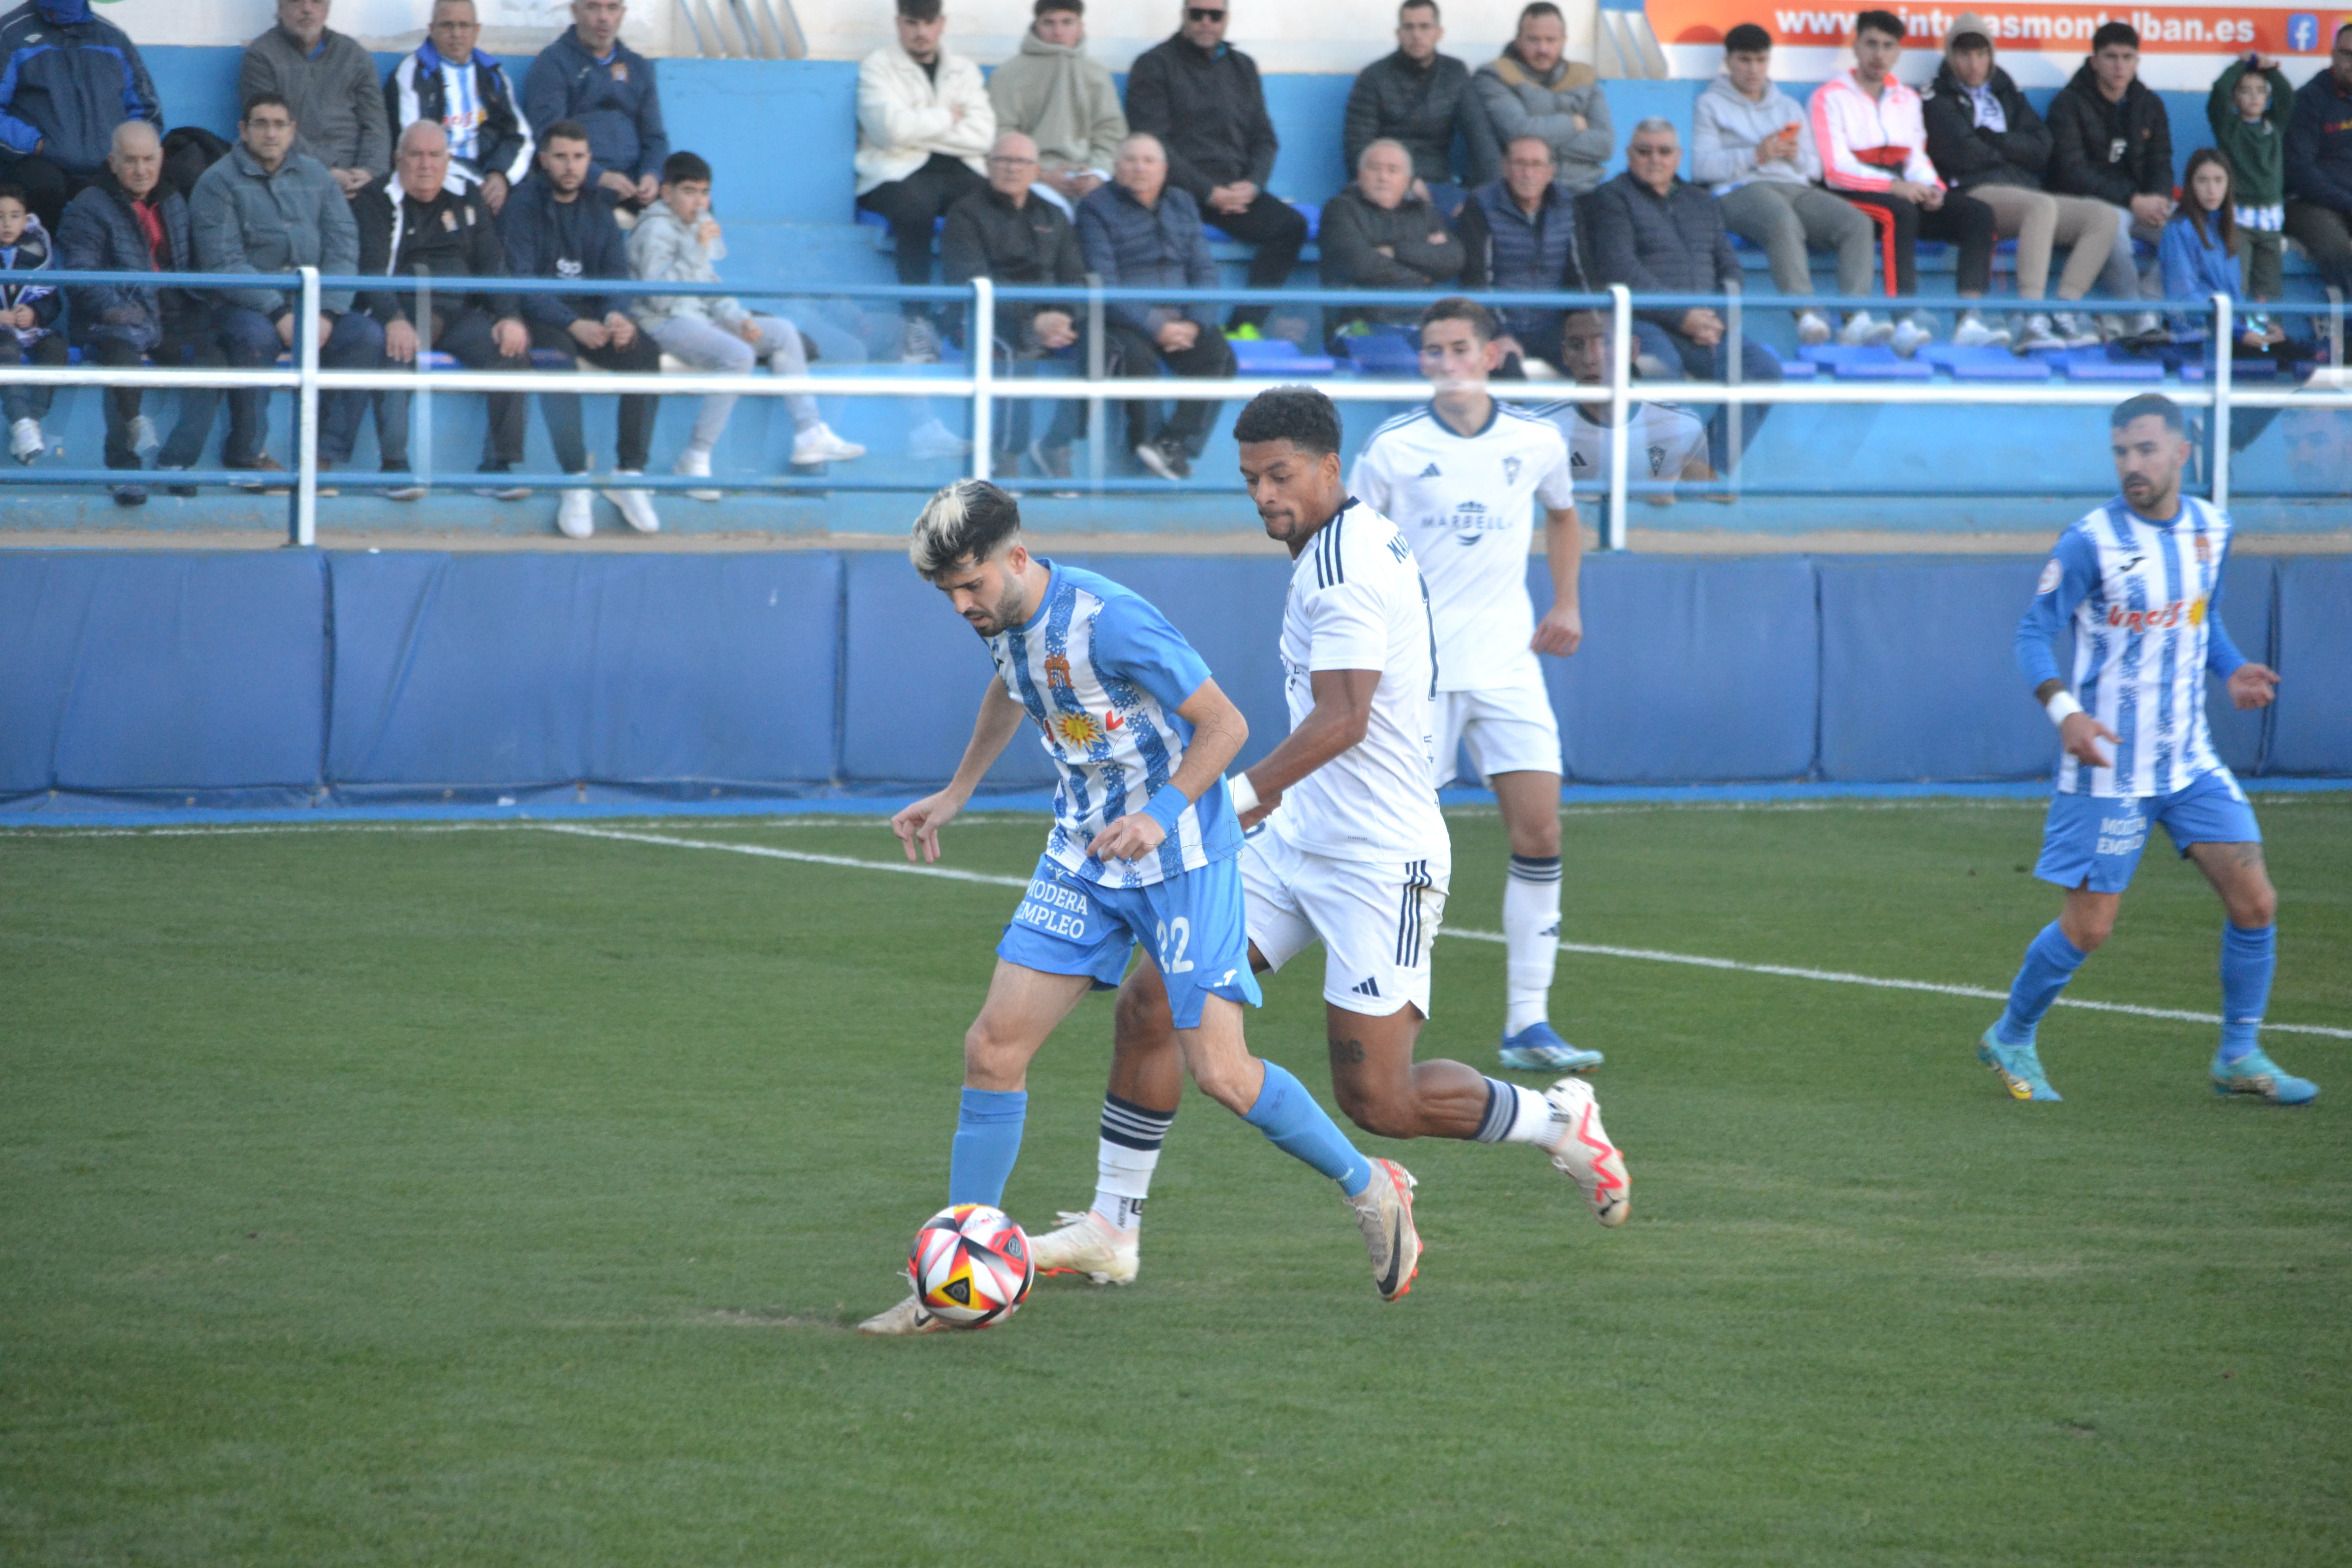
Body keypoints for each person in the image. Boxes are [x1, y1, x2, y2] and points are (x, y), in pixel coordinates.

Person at [1022, 386, 1629, 1292]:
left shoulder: (1343, 567)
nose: (1264, 495)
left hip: (1379, 859)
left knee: (1380, 1099)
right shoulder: (1336, 544)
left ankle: (1556, 1122)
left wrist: (1231, 796)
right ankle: (1113, 1227)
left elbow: (1345, 717)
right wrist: (1263, 807)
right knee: (1150, 1001)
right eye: (1250, 480)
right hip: (1297, 837)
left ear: (1330, 467)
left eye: (1280, 475)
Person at [857, 478, 1424, 1333]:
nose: (962, 606)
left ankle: (1370, 1185)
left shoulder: (1109, 620)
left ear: (1017, 556)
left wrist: (1160, 814)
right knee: (992, 1048)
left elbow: (1226, 725)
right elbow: (1012, 687)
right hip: (1084, 857)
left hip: (1183, 858)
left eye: (970, 585)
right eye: (947, 594)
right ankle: (961, 1271)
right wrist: (957, 790)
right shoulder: (1002, 621)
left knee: (1223, 1074)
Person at [1980, 392, 2312, 1108]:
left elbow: (2202, 615)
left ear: (2182, 452)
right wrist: (2066, 712)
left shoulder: (2212, 529)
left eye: (2146, 450)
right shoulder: (2090, 541)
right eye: (2121, 453)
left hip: (2189, 763)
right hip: (2108, 769)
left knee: (2256, 901)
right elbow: (2033, 631)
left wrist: (2232, 670)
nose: (2132, 465)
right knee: (2089, 927)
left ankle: (2238, 1054)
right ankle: (2011, 1035)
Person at [1351, 298, 1596, 1071]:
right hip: (1414, 675)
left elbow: (1563, 515)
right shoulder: (1392, 448)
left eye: (1460, 348)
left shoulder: (1537, 439)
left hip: (1509, 666)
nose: (1447, 362)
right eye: (1433, 350)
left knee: (1541, 832)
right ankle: (1385, 1005)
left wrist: (1565, 602)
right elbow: (1349, 548)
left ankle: (1528, 1023)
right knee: (1402, 849)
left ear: (1492, 356)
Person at [628, 150, 863, 497]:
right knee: (739, 356)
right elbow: (659, 298)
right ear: (666, 192)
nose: (699, 202)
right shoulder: (654, 229)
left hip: (699, 318)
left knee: (783, 332)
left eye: (704, 193)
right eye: (689, 192)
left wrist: (739, 319)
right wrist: (697, 249)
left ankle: (809, 434)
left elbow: (710, 287)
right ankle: (695, 457)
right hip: (663, 322)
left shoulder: (693, 227)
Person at [190, 92, 379, 489]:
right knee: (254, 338)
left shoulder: (318, 177)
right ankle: (248, 455)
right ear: (243, 131)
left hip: (312, 304)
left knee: (364, 336)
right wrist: (278, 312)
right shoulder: (217, 182)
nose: (271, 134)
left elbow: (344, 248)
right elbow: (223, 263)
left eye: (279, 125)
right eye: (261, 124)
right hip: (243, 305)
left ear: (293, 131)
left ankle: (322, 457)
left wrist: (327, 312)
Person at [354, 121, 538, 504]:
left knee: (510, 349)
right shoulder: (376, 197)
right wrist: (393, 319)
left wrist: (509, 316)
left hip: (458, 313)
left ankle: (498, 466)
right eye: (416, 155)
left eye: (435, 156)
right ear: (397, 159)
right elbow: (371, 271)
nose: (426, 165)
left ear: (449, 159)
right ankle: (393, 467)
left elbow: (491, 262)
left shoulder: (466, 194)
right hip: (402, 309)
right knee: (395, 350)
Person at [498, 119, 665, 537]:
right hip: (543, 315)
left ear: (590, 160)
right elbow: (521, 284)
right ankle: (575, 479)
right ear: (543, 160)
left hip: (593, 314)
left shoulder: (598, 207)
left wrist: (616, 315)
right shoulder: (522, 205)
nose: (570, 166)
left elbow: (615, 274)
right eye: (560, 157)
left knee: (644, 353)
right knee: (557, 360)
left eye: (578, 157)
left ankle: (629, 475)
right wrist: (572, 324)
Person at [1584, 118, 1780, 470]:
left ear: (1678, 157)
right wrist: (1681, 316)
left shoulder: (1701, 201)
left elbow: (1731, 269)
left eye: (1664, 151)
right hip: (1643, 321)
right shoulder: (1611, 198)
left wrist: (1717, 317)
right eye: (1644, 151)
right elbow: (1621, 269)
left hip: (1704, 324)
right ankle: (1661, 474)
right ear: (1629, 155)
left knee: (1763, 369)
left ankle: (1706, 467)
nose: (1654, 159)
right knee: (1661, 370)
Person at [1923, 15, 2125, 354]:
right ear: (1950, 55)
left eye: (1981, 54)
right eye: (1964, 54)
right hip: (1972, 192)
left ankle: (2064, 311)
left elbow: (2043, 148)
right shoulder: (1938, 95)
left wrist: (1995, 141)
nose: (1974, 64)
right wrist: (2013, 155)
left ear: (1991, 55)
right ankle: (2031, 318)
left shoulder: (2005, 89)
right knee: (2040, 205)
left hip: (2020, 190)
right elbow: (1963, 154)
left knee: (2103, 217)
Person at [1813, 10, 2002, 356]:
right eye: (1871, 44)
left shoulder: (1907, 99)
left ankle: (1969, 321)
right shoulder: (1829, 97)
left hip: (1900, 191)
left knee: (1977, 213)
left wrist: (1933, 189)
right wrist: (1893, 186)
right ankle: (1904, 321)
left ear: (1898, 52)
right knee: (1899, 212)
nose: (1879, 54)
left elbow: (1916, 159)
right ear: (1856, 47)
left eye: (1888, 46)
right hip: (1849, 194)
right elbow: (1835, 170)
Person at [59, 122, 225, 505]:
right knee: (123, 365)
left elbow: (188, 267)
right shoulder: (88, 205)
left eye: (149, 160)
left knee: (214, 363)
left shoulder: (173, 200)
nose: (141, 170)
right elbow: (80, 277)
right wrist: (115, 310)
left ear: (161, 159)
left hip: (170, 316)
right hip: (111, 320)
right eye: (130, 161)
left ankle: (176, 462)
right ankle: (124, 471)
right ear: (112, 162)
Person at [1123, 1, 1305, 333]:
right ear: (1184, 16)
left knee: (1291, 226)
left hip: (1235, 193)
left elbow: (1265, 139)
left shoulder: (1243, 67)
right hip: (1174, 192)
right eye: (1197, 14)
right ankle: (1176, 333)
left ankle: (1243, 327)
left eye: (1215, 15)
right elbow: (1154, 145)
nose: (1206, 22)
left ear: (1226, 19)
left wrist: (1253, 185)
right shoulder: (1154, 64)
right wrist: (1209, 192)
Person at [1695, 23, 1881, 348]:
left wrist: (1796, 156)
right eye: (1744, 60)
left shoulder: (1788, 107)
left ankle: (1853, 319)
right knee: (1781, 219)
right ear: (1728, 61)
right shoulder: (1710, 104)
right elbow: (1702, 167)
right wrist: (1756, 155)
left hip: (1794, 186)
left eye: (1761, 60)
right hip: (1739, 190)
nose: (1753, 69)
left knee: (1857, 223)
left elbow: (1815, 168)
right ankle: (1805, 315)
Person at [1075, 132, 1235, 481]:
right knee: (1136, 356)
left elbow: (1204, 270)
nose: (1140, 168)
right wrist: (1155, 325)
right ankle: (1144, 446)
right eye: (1131, 160)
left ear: (1164, 169)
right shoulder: (1095, 207)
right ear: (1116, 167)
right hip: (1125, 319)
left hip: (1181, 314)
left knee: (1220, 356)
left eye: (1149, 161)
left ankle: (1172, 444)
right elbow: (1104, 282)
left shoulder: (1182, 202)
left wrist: (1195, 322)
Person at [941, 131, 1093, 479]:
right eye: (1004, 160)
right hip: (985, 316)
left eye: (1023, 161)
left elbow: (1074, 276)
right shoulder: (966, 213)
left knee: (1106, 345)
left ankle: (1057, 443)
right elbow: (971, 280)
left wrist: (1062, 317)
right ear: (988, 166)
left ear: (1038, 170)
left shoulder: (1053, 214)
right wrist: (1035, 320)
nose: (1013, 168)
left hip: (1048, 316)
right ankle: (1006, 454)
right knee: (1013, 352)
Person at [855, 0, 993, 362]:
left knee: (989, 207)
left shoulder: (964, 70)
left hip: (958, 170)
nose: (921, 32)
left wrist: (918, 128)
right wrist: (949, 118)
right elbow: (890, 130)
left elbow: (983, 135)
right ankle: (916, 321)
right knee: (914, 212)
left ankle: (962, 315)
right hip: (895, 171)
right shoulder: (878, 66)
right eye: (911, 23)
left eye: (928, 23)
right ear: (898, 23)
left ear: (942, 24)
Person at [2045, 22, 2171, 340]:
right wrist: (2133, 200)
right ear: (2094, 61)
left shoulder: (2149, 104)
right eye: (2111, 57)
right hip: (2091, 203)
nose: (2119, 66)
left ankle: (2152, 305)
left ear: (2137, 62)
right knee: (2110, 226)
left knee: (2188, 228)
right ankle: (2136, 317)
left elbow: (2161, 161)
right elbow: (2073, 173)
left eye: (2127, 57)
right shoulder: (2068, 103)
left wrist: (2159, 198)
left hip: (2139, 202)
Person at [0, 0, 162, 232]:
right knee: (44, 184)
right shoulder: (10, 34)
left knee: (161, 182)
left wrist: (126, 153)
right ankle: (39, 253)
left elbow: (147, 110)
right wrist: (36, 144)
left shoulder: (113, 38)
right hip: (45, 165)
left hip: (108, 167)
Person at [1542, 307, 1713, 504]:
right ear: (1565, 355)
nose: (1590, 359)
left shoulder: (1684, 427)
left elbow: (1708, 507)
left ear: (1632, 350)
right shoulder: (1543, 429)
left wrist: (1682, 481)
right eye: (1576, 346)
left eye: (1605, 343)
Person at [385, 0, 533, 215]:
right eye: (447, 25)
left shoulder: (492, 74)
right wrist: (478, 186)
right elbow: (414, 147)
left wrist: (501, 176)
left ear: (477, 30)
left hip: (491, 179)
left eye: (464, 25)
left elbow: (520, 137)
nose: (456, 34)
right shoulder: (411, 75)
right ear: (432, 29)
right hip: (438, 182)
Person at [1455, 134, 1586, 377]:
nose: (1528, 173)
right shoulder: (1481, 204)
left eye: (1536, 165)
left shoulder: (1567, 206)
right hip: (1500, 325)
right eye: (1520, 164)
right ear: (1505, 167)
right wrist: (1500, 333)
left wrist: (1589, 327)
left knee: (1606, 365)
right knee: (1507, 372)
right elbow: (1477, 280)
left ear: (1550, 172)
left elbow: (1581, 274)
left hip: (1554, 326)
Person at [523, 0, 668, 211]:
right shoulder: (553, 63)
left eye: (612, 7)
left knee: (690, 205)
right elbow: (547, 137)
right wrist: (598, 177)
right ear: (575, 12)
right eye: (593, 7)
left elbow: (654, 137)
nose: (604, 18)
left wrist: (652, 174)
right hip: (579, 182)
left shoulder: (638, 66)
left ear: (623, 13)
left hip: (634, 183)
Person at [1344, 1, 1485, 217]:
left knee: (1474, 219)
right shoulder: (1373, 77)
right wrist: (1407, 182)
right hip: (1385, 182)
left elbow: (1481, 137)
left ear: (1439, 33)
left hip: (1438, 183)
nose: (1417, 35)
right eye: (1409, 27)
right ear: (1398, 33)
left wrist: (1488, 194)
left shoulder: (1455, 73)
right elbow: (1356, 149)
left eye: (1425, 27)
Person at [983, 1, 1124, 216]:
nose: (1058, 31)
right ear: (1036, 26)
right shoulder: (1007, 76)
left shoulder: (1097, 75)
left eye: (1067, 22)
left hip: (1089, 178)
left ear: (1080, 27)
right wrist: (1040, 174)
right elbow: (1000, 135)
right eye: (1049, 23)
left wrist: (1098, 173)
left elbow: (1110, 132)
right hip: (1030, 179)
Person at [238, 0, 388, 201]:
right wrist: (326, 170)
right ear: (280, 7)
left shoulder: (354, 55)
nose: (307, 9)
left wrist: (369, 172)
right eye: (297, 2)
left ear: (327, 9)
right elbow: (268, 131)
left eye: (316, 1)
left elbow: (376, 125)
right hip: (292, 180)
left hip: (359, 183)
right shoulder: (261, 57)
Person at [1317, 138, 1462, 333]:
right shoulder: (1339, 209)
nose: (1383, 177)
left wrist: (1396, 252)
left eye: (1393, 170)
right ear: (1360, 175)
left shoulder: (1423, 211)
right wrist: (1421, 276)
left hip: (1420, 322)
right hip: (1359, 322)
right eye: (1375, 169)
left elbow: (1453, 258)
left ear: (1407, 181)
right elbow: (1360, 266)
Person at [1472, 3, 1611, 198]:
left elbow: (1605, 145)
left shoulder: (1584, 77)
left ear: (1564, 41)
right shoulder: (1495, 76)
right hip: (1522, 194)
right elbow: (1519, 132)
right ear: (1519, 41)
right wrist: (1572, 124)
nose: (1543, 49)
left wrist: (1539, 134)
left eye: (1551, 40)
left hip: (1585, 191)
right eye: (1533, 40)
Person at [2282, 24, 2352, 298]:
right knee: (2338, 248)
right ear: (2333, 55)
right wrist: (2347, 203)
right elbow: (2301, 172)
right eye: (2346, 54)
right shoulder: (2309, 99)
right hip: (2308, 203)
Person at [0, 182, 58, 467]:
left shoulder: (37, 253)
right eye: (0, 217)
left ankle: (31, 421)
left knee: (56, 348)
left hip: (29, 331)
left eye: (15, 216)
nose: (7, 224)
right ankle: (20, 421)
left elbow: (52, 301)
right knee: (6, 349)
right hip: (2, 336)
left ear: (26, 220)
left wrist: (34, 314)